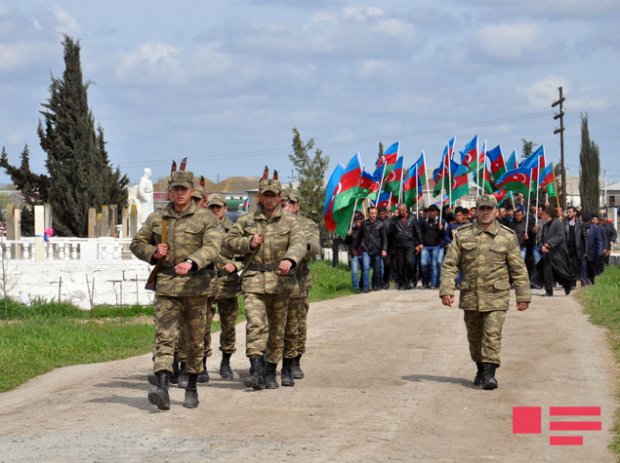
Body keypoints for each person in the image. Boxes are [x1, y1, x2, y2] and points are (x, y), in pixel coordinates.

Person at [130, 170, 221, 410]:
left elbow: (212, 247)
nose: (180, 193)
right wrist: (152, 253)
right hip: (167, 287)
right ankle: (162, 387)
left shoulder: (205, 218)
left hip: (195, 287)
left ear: (192, 192)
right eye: (176, 189)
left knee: (193, 341)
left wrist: (192, 262)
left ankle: (191, 386)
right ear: (170, 191)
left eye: (184, 189)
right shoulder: (158, 218)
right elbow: (137, 243)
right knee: (164, 337)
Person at [224, 167, 306, 390]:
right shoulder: (247, 220)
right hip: (253, 280)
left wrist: (290, 258)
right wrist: (247, 243)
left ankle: (271, 370)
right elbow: (229, 241)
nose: (269, 199)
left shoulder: (290, 221)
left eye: (273, 195)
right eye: (265, 195)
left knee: (277, 330)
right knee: (255, 325)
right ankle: (257, 371)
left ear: (280, 198)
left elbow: (300, 243)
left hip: (280, 281)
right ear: (260, 196)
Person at [439, 194, 530, 390]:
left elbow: (518, 268)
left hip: (497, 295)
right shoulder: (462, 235)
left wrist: (523, 296)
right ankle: (480, 367)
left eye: (489, 208)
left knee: (492, 334)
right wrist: (446, 289)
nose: (486, 212)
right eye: (482, 209)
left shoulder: (507, 236)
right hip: (471, 294)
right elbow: (450, 264)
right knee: (474, 337)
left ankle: (490, 374)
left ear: (496, 211)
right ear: (476, 211)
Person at [281, 189, 320, 385]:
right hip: (275, 280)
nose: (284, 207)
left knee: (297, 322)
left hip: (299, 279)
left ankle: (295, 359)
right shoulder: (274, 223)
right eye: (281, 204)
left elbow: (314, 246)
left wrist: (297, 249)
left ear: (296, 205)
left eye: (287, 203)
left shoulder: (307, 224)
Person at [208, 193, 241, 380]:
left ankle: (225, 362)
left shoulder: (234, 229)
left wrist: (236, 265)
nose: (214, 211)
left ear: (225, 209)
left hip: (228, 283)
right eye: (211, 207)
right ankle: (202, 364)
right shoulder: (202, 227)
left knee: (228, 325)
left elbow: (244, 254)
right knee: (203, 326)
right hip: (206, 282)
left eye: (217, 207)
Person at [539, 206, 574, 296]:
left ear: (548, 215)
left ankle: (567, 284)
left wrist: (549, 244)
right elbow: (542, 239)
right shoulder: (545, 225)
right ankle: (549, 291)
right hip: (547, 253)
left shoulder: (558, 223)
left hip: (558, 253)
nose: (543, 216)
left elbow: (560, 236)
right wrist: (542, 246)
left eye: (544, 214)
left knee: (561, 272)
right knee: (547, 271)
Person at [388, 204, 422, 290]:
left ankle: (412, 277)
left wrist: (420, 243)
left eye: (403, 210)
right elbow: (390, 232)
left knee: (409, 262)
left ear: (406, 209)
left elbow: (417, 231)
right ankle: (403, 282)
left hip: (410, 244)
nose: (401, 212)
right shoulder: (394, 219)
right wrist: (391, 220)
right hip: (398, 245)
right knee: (400, 265)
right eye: (399, 211)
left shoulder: (413, 218)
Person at [360, 206, 388, 291]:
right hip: (366, 249)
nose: (374, 215)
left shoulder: (381, 224)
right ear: (369, 214)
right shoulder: (364, 223)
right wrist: (353, 248)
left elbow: (384, 238)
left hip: (377, 250)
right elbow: (359, 236)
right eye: (372, 213)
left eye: (375, 213)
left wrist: (384, 249)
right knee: (365, 268)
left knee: (377, 270)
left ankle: (375, 284)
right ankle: (366, 286)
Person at [419, 205, 445, 288]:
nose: (432, 214)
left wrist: (441, 229)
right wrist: (420, 243)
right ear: (428, 212)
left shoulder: (440, 221)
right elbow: (420, 233)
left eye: (434, 212)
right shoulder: (423, 221)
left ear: (436, 212)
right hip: (425, 247)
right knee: (423, 264)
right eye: (431, 212)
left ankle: (433, 283)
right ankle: (426, 280)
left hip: (436, 246)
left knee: (434, 265)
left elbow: (443, 235)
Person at [564, 207, 588, 286]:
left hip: (577, 248)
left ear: (575, 213)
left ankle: (580, 280)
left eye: (570, 212)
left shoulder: (580, 224)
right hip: (567, 248)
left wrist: (586, 250)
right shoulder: (565, 223)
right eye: (568, 212)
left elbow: (584, 238)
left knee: (576, 265)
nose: (568, 213)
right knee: (569, 266)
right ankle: (572, 282)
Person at [584, 213, 606, 284]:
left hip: (592, 252)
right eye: (585, 221)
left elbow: (600, 240)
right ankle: (585, 281)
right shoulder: (580, 227)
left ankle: (592, 279)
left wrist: (600, 251)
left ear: (590, 221)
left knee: (591, 267)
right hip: (583, 252)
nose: (586, 223)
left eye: (587, 221)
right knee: (584, 267)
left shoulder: (596, 228)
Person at [345, 212, 364, 292]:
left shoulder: (364, 229)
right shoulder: (351, 230)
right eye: (356, 221)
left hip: (363, 253)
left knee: (364, 271)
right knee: (354, 272)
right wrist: (348, 236)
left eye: (359, 221)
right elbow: (346, 242)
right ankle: (356, 288)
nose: (357, 223)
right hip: (354, 254)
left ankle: (361, 285)